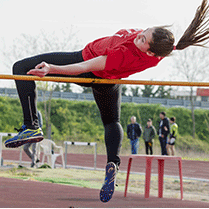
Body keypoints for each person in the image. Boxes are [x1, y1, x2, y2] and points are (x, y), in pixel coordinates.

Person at [4, 0, 209, 202]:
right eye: (144, 31)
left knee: (20, 68)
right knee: (112, 122)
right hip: (110, 82)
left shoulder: (124, 55)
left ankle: (31, 126)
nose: (139, 35)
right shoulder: (161, 49)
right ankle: (113, 164)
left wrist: (52, 68)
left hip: (90, 66)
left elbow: (85, 66)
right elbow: (172, 46)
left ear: (149, 52)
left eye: (143, 39)